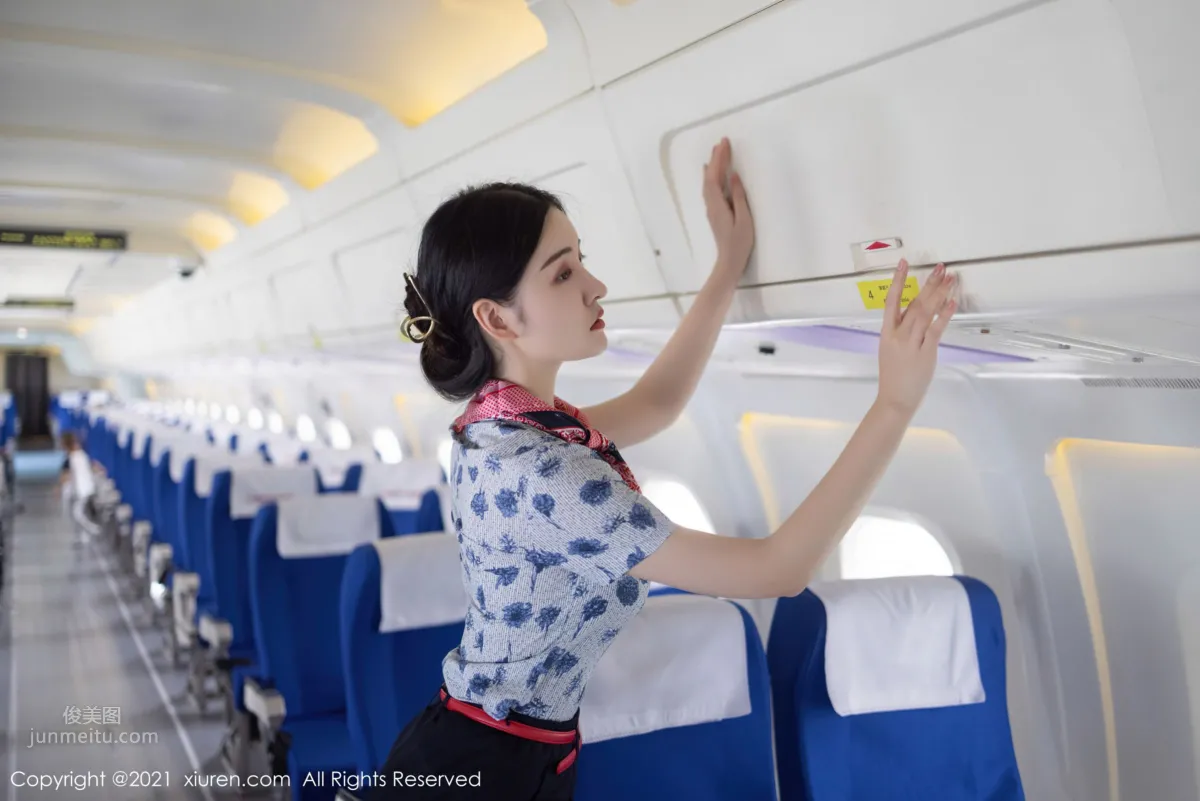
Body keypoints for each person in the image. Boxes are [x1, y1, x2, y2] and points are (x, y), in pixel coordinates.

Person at [373, 137, 957, 799]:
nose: (596, 285)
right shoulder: (542, 473)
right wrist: (895, 402)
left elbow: (656, 402)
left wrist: (728, 264)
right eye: (563, 274)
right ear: (496, 316)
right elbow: (777, 569)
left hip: (492, 751)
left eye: (581, 262)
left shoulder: (505, 424)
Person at [59, 432, 100, 539]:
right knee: (81, 512)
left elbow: (65, 476)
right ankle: (88, 532)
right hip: (87, 488)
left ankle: (94, 530)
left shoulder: (72, 458)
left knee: (78, 513)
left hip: (83, 489)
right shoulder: (82, 455)